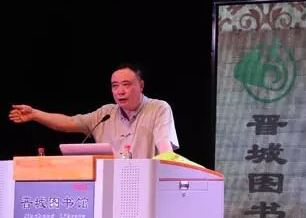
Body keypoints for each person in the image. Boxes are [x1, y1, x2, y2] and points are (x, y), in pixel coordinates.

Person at [8, 63, 179, 159]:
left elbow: (165, 149)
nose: (120, 91)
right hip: (108, 187)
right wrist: (35, 114)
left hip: (145, 185)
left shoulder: (158, 108)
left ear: (140, 86)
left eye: (126, 85)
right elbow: (68, 123)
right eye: (115, 86)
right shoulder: (105, 114)